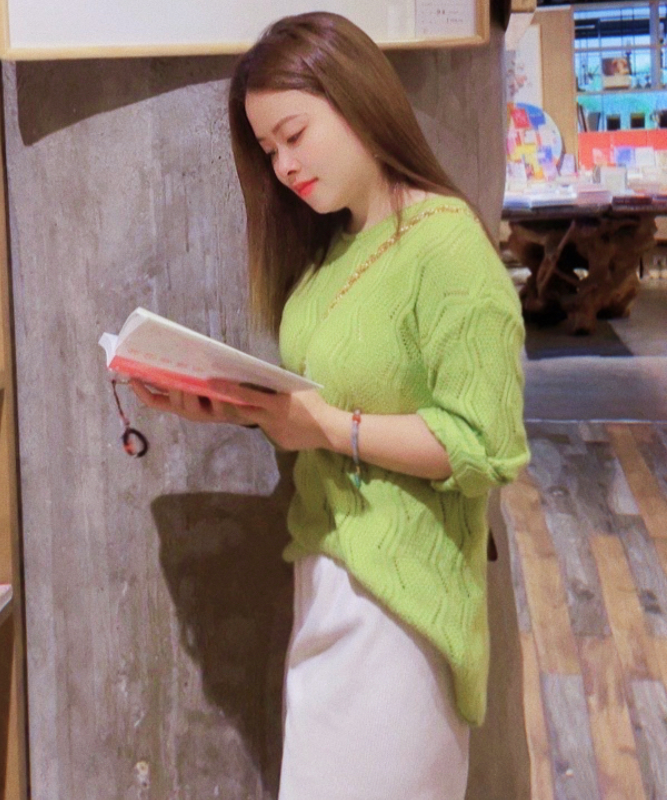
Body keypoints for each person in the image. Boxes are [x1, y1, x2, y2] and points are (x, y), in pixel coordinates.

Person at [129, 11, 529, 800]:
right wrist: (232, 408)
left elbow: (483, 446)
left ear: (357, 101)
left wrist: (326, 427)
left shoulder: (443, 242)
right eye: (268, 150)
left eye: (294, 134)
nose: (283, 166)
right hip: (325, 577)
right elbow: (318, 410)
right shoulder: (334, 250)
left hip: (403, 601)